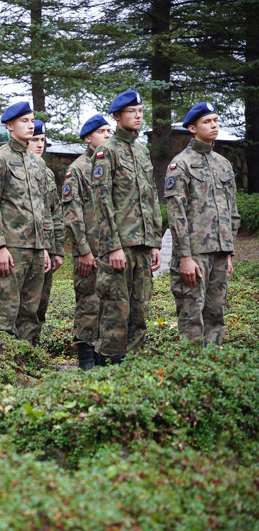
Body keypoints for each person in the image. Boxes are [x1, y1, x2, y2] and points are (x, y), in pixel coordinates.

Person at [91, 89, 163, 363]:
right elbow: (102, 202)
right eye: (132, 111)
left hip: (143, 245)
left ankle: (132, 374)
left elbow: (151, 198)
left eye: (141, 111)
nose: (138, 116)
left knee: (139, 312)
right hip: (119, 248)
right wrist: (112, 246)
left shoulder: (142, 152)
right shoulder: (105, 152)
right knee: (115, 313)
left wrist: (155, 242)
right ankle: (107, 371)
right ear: (117, 116)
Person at [166, 102, 240, 345]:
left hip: (220, 253)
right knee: (191, 314)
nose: (214, 125)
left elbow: (232, 212)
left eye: (216, 120)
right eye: (207, 121)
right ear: (192, 128)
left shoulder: (223, 164)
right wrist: (185, 257)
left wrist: (228, 252)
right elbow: (176, 214)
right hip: (194, 254)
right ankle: (192, 370)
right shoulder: (181, 164)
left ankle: (213, 370)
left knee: (216, 314)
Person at [0, 102, 52, 343]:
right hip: (10, 249)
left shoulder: (38, 163)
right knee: (7, 313)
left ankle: (29, 367)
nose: (30, 125)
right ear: (10, 126)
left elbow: (43, 209)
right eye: (24, 121)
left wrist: (45, 248)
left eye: (32, 120)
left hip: (35, 249)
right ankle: (7, 371)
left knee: (31, 313)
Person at [63, 114, 110, 369]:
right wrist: (83, 250)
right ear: (88, 138)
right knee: (88, 301)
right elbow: (72, 212)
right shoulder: (78, 169)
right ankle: (86, 356)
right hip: (89, 249)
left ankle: (104, 353)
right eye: (102, 131)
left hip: (111, 249)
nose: (107, 135)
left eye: (109, 131)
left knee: (109, 301)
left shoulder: (112, 164)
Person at [27, 120, 64, 345]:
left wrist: (57, 249)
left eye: (42, 140)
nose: (39, 145)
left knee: (41, 303)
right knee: (24, 306)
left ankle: (35, 349)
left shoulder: (47, 173)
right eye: (35, 140)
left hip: (46, 247)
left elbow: (54, 212)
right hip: (25, 245)